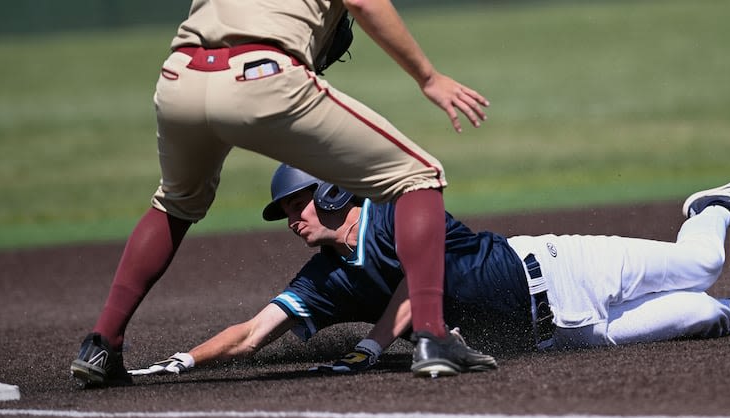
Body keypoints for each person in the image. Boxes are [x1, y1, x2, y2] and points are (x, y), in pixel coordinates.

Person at [70, 0, 493, 387]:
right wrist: (428, 76)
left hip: (179, 77)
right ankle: (434, 336)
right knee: (419, 176)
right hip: (262, 73)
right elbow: (365, 3)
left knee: (174, 205)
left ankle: (102, 344)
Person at [127, 165, 730, 378]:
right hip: (566, 333)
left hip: (565, 268)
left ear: (334, 194)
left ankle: (708, 206)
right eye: (285, 211)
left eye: (297, 203)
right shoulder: (324, 278)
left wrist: (369, 344)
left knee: (703, 263)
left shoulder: (398, 216)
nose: (291, 218)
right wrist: (184, 360)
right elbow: (254, 333)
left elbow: (423, 288)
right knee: (706, 313)